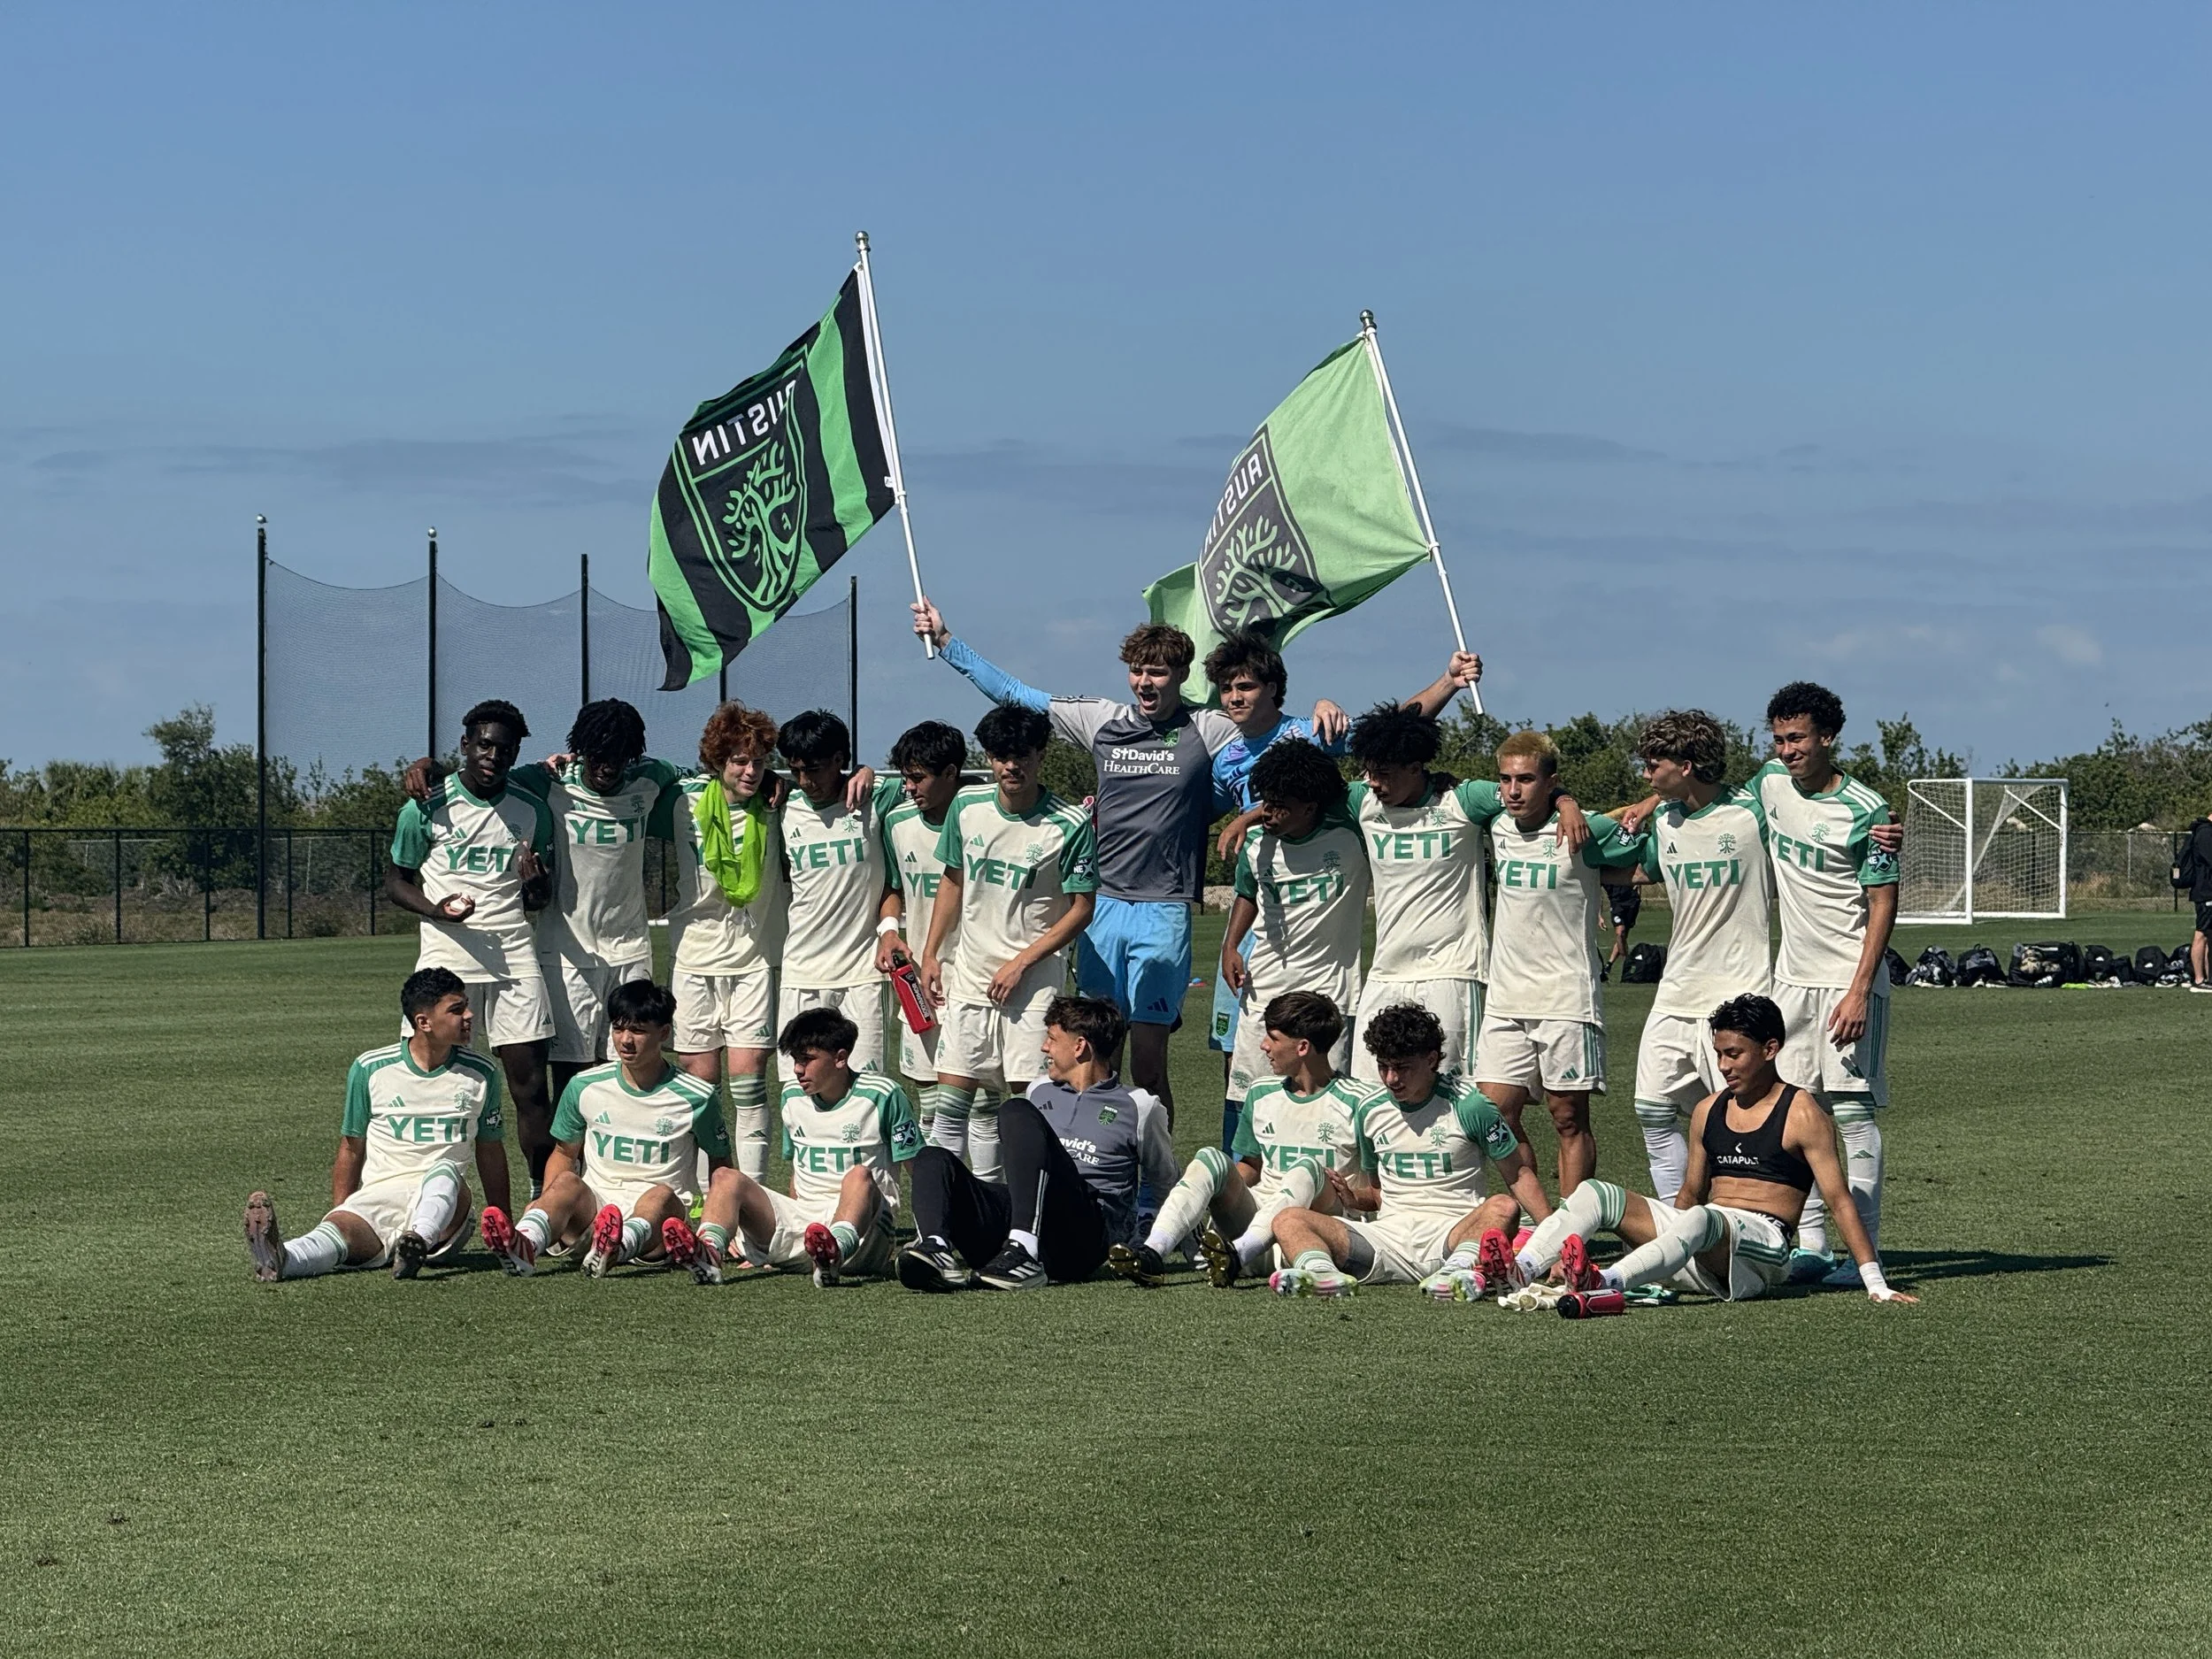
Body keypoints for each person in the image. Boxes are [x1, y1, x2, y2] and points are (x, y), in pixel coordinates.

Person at [914, 598, 1329, 1119]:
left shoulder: (1209, 727)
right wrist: (947, 642)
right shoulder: (1102, 720)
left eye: (1158, 672)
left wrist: (1321, 710)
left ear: (1181, 675)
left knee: (1150, 1066)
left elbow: (1273, 729)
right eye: (1137, 671)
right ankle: (1095, 1156)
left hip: (1165, 909)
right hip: (1103, 908)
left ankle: (1155, 1168)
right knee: (1092, 1058)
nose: (1145, 682)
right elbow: (1017, 694)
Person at [1202, 632, 1480, 1147]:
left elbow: (1392, 733)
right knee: (1245, 1079)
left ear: (1273, 688)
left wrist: (1448, 682)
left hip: (1333, 978)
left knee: (1328, 1092)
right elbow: (1242, 875)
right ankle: (1239, 1178)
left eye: (1245, 686)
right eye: (1226, 688)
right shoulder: (1226, 760)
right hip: (1259, 960)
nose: (1235, 697)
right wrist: (1246, 823)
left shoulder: (1323, 758)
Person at [1504, 994, 1916, 1306]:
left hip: (1762, 1255)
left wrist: (1875, 1282)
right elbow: (1689, 1194)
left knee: (1704, 1218)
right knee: (1595, 1194)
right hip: (1703, 1242)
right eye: (1719, 1054)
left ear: (1770, 1049)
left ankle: (1606, 1281)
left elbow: (1839, 1201)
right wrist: (1665, 1250)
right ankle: (1521, 1268)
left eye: (1734, 1054)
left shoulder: (1803, 1112)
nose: (1723, 1066)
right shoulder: (1708, 1110)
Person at [1334, 703, 1587, 1083]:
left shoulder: (1462, 800)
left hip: (1452, 972)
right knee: (1371, 1089)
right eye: (1369, 773)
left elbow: (1525, 788)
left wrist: (1566, 802)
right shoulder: (1363, 802)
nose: (1373, 782)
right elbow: (1296, 794)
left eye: (1383, 774)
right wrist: (1248, 818)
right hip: (1385, 973)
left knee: (1448, 1091)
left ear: (1415, 769)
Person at [1752, 682, 1900, 1288]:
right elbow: (1703, 796)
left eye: (1798, 738)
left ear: (1828, 738)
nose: (1787, 750)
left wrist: (1859, 989)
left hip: (1846, 980)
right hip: (1790, 981)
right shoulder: (1769, 783)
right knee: (1798, 1110)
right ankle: (1811, 1244)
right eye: (1779, 739)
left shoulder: (1869, 810)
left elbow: (1883, 900)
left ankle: (1866, 1253)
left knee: (1853, 1112)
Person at [918, 704, 1098, 1179]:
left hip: (1033, 989)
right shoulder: (967, 807)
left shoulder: (1070, 823)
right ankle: (943, 1217)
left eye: (1022, 756)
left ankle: (1026, 1213)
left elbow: (1082, 907)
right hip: (971, 980)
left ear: (1041, 756)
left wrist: (1021, 962)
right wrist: (931, 952)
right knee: (948, 1110)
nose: (1011, 766)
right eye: (1000, 756)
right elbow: (953, 880)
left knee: (1029, 1112)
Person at [383, 700, 557, 1189]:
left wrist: (535, 885)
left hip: (513, 958)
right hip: (445, 960)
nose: (493, 756)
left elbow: (539, 899)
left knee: (530, 1089)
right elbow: (395, 881)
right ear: (465, 745)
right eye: (484, 745)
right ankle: (424, 1194)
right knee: (431, 1083)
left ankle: (540, 1200)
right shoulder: (426, 805)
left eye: (505, 749)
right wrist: (436, 910)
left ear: (516, 753)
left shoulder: (531, 810)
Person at [1268, 1002, 1553, 1300]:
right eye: (1383, 1066)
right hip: (1386, 1239)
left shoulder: (1471, 1105)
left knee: (1503, 1207)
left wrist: (1552, 1245)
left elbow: (1519, 1176)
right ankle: (1324, 1275)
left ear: (1431, 1059)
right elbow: (1379, 1193)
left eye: (1402, 1067)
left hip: (1453, 1235)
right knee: (1288, 1219)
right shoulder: (1370, 1110)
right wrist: (1354, 1198)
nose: (1391, 1078)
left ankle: (1455, 1272)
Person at [244, 967, 510, 1280]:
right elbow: (351, 1148)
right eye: (457, 1009)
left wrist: (504, 1225)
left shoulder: (482, 1073)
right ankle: (282, 1258)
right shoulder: (371, 1068)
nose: (469, 1015)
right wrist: (342, 1213)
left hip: (448, 1211)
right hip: (380, 1198)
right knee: (335, 1236)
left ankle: (418, 1240)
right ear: (423, 1022)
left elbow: (490, 1150)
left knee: (445, 1169)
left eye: (466, 1006)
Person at [895, 995, 1175, 1292]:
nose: (1044, 1047)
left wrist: (1150, 1243)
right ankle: (935, 1249)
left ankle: (1024, 1252)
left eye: (1052, 1039)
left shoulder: (1140, 1105)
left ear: (1079, 1046)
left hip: (1084, 1237)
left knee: (1015, 1110)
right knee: (933, 1157)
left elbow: (1164, 1182)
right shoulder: (1039, 1090)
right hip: (1028, 1220)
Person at [1472, 731, 1645, 1196]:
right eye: (1506, 779)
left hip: (1566, 997)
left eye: (1526, 779)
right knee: (1492, 1113)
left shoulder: (1588, 828)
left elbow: (1645, 857)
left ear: (1550, 781)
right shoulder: (1496, 823)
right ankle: (1541, 1221)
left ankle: (1573, 1224)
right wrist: (1566, 799)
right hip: (1506, 998)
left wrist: (1571, 807)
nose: (1513, 790)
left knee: (1567, 1118)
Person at [1108, 990, 1363, 1287]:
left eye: (1273, 1038)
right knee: (1210, 1158)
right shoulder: (1262, 1092)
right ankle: (1152, 1253)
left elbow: (1380, 1188)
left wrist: (1355, 1198)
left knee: (1306, 1169)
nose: (1264, 1045)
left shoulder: (1361, 1101)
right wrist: (1212, 1189)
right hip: (1257, 1229)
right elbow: (1252, 1166)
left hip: (1313, 1233)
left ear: (1303, 1047)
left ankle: (1239, 1255)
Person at [479, 980, 733, 1279]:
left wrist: (716, 1227)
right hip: (595, 1214)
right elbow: (564, 1153)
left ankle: (616, 1248)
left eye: (638, 1031)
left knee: (660, 1195)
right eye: (618, 1029)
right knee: (567, 1182)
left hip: (659, 1228)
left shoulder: (697, 1096)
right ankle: (525, 1242)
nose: (625, 1040)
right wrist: (547, 1202)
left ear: (664, 1033)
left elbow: (721, 1165)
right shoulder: (585, 1086)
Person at [509, 700, 686, 1105]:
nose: (607, 767)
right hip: (566, 953)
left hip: (630, 952)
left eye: (619, 758)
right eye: (598, 756)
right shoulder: (550, 781)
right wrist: (428, 769)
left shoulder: (650, 778)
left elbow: (705, 774)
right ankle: (571, 1149)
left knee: (631, 1065)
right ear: (581, 749)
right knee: (572, 1074)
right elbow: (485, 781)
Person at [664, 701, 789, 1182]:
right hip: (693, 959)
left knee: (750, 1084)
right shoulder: (681, 800)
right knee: (700, 1090)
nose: (751, 771)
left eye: (759, 761)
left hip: (752, 961)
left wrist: (863, 771)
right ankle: (703, 1194)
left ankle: (751, 1195)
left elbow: (838, 785)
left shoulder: (778, 803)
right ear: (717, 761)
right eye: (739, 760)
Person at [718, 1006, 924, 1286]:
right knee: (726, 1178)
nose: (797, 1069)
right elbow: (798, 1171)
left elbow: (919, 1170)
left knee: (859, 1175)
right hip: (809, 1231)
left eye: (807, 1060)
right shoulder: (792, 1096)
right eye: (795, 1060)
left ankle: (834, 1251)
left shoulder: (883, 1096)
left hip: (867, 1234)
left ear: (840, 1058)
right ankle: (707, 1253)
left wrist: (931, 1236)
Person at [1218, 740, 1368, 1126]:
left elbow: (1375, 781)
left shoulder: (1352, 833)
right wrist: (1231, 946)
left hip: (1329, 992)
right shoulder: (1256, 844)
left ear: (1311, 806)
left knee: (1326, 1103)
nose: (1267, 812)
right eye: (1265, 801)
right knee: (1249, 1099)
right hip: (1264, 986)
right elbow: (1247, 892)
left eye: (1280, 804)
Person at [774, 709, 907, 1074]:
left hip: (862, 973)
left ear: (839, 760)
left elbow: (928, 783)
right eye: (795, 770)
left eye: (814, 769)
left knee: (865, 1086)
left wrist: (867, 771)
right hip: (802, 972)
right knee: (798, 1087)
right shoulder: (782, 808)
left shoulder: (876, 799)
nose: (805, 781)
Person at [879, 720, 972, 1125]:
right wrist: (888, 932)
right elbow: (892, 887)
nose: (909, 788)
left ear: (950, 773)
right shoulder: (898, 823)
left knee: (980, 1104)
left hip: (974, 977)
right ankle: (936, 1172)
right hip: (920, 979)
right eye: (905, 778)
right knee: (929, 1103)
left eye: (918, 778)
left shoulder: (982, 818)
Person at [2182, 808, 2212, 990]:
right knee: (2201, 933)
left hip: (2207, 891)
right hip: (2206, 892)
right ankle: (2199, 979)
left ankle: (2208, 978)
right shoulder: (2205, 833)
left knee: (2208, 934)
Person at [1601, 879, 1640, 979]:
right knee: (1620, 933)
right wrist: (1599, 915)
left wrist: (1638, 886)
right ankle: (1627, 962)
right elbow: (1597, 895)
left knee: (1623, 936)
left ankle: (1609, 964)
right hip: (1617, 904)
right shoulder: (1602, 872)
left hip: (1632, 901)